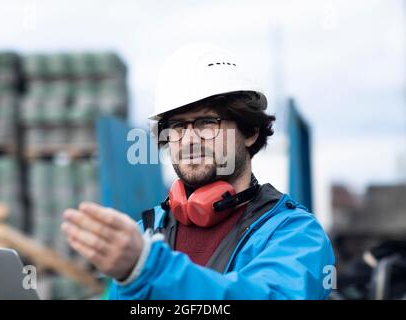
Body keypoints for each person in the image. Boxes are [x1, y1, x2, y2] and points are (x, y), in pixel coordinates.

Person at [61, 43, 335, 299]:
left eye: (206, 122)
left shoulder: (295, 234)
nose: (189, 139)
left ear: (250, 131)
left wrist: (148, 269)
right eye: (178, 126)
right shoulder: (144, 232)